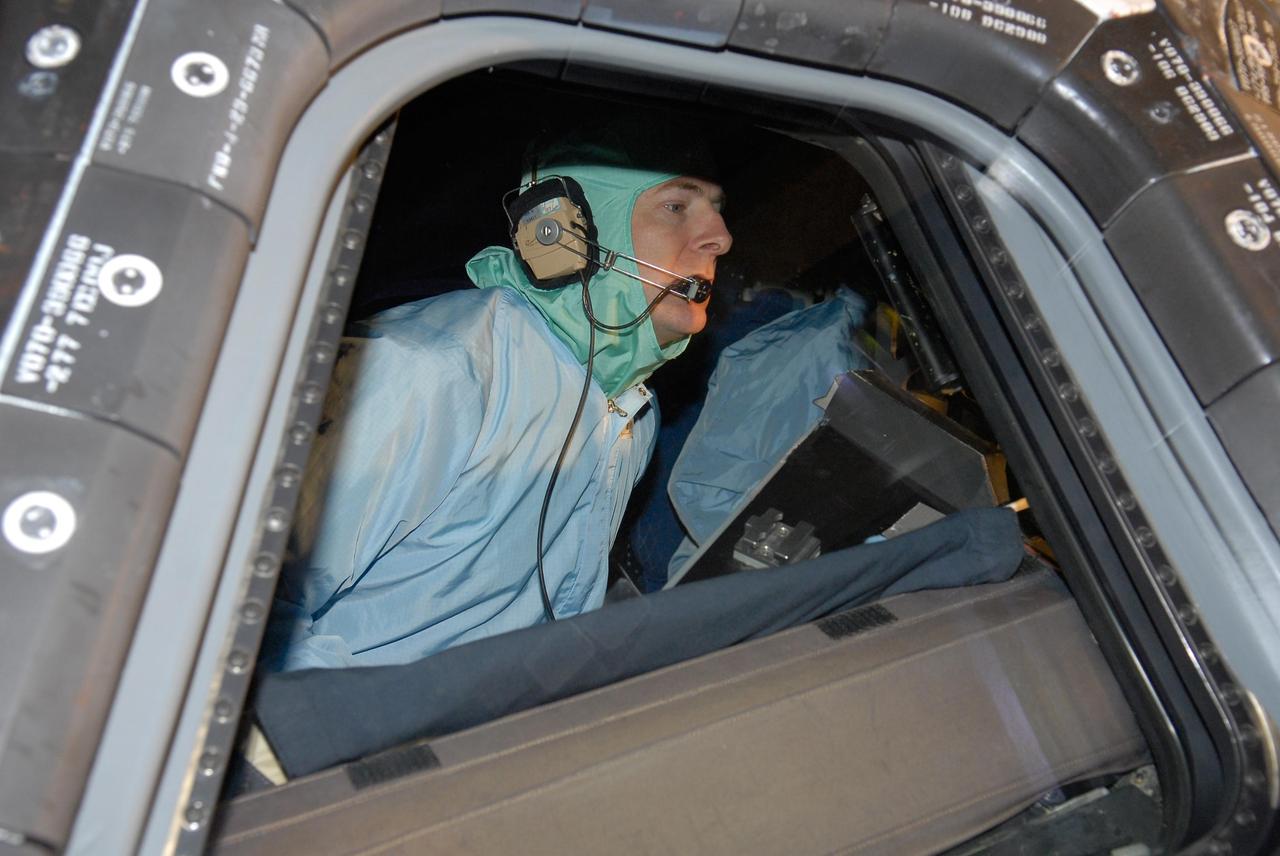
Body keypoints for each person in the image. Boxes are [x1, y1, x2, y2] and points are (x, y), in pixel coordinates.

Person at [261, 121, 732, 671]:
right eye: (677, 206)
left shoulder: (631, 411)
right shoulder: (424, 370)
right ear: (560, 231)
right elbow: (255, 619)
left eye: (717, 209)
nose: (720, 236)